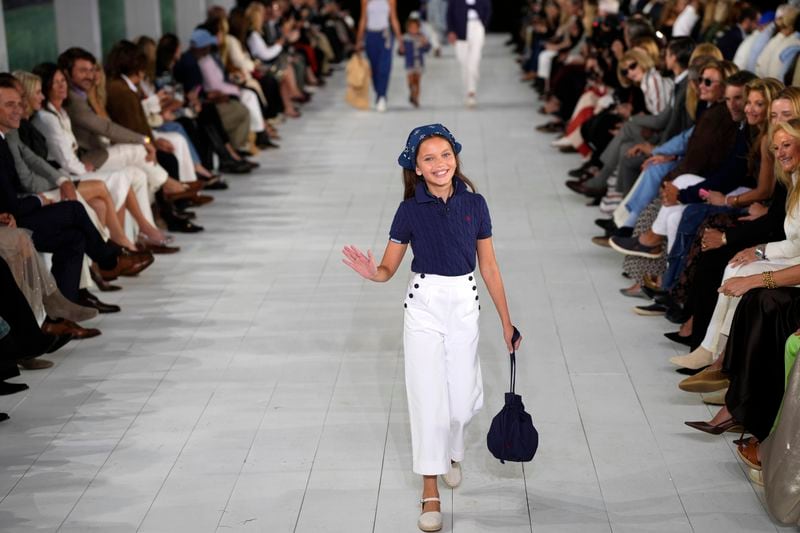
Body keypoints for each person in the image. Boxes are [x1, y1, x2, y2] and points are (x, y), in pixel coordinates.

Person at [341, 124, 521, 533]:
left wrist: (507, 322)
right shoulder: (409, 211)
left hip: (464, 304)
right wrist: (375, 273)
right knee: (427, 401)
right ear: (416, 168)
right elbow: (389, 267)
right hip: (423, 307)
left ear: (455, 157)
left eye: (446, 154)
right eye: (429, 158)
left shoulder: (475, 204)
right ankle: (430, 489)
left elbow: (489, 265)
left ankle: (452, 451)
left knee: (461, 403)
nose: (440, 163)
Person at [356, 0, 403, 112]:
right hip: (371, 36)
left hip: (385, 35)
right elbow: (363, 19)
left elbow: (394, 19)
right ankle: (379, 94)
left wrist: (400, 40)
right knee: (374, 67)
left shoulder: (390, 1)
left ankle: (382, 96)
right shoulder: (365, 1)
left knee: (384, 67)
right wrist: (359, 40)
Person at [447, 0, 491, 107]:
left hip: (477, 27)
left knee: (474, 62)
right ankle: (468, 90)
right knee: (463, 63)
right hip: (460, 29)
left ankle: (471, 93)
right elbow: (449, 13)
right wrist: (451, 31)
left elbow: (488, 10)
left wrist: (482, 26)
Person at [403, 13, 432, 108]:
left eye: (415, 28)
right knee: (410, 79)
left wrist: (425, 43)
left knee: (418, 81)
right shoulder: (406, 38)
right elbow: (401, 51)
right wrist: (401, 49)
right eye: (412, 28)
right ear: (408, 28)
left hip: (419, 62)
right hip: (410, 62)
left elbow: (427, 49)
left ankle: (416, 98)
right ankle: (411, 91)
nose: (414, 30)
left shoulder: (421, 37)